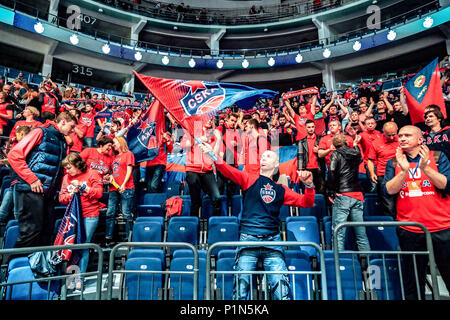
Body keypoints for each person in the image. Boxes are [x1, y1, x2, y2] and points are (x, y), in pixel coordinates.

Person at [199, 142, 315, 300]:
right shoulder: (249, 179)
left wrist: (309, 186)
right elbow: (226, 169)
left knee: (282, 294)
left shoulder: (281, 188)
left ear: (275, 164)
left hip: (273, 242)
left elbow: (306, 203)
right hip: (248, 239)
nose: (263, 158)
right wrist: (212, 154)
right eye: (262, 156)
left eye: (268, 156)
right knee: (240, 293)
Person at [383, 125, 450, 300]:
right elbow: (388, 190)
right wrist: (404, 171)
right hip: (410, 229)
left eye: (407, 135)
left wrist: (426, 168)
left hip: (442, 227)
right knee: (413, 282)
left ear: (420, 140)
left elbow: (446, 184)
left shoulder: (438, 156)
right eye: (400, 136)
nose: (402, 138)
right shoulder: (394, 162)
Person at [7, 111, 76, 248]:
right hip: (30, 190)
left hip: (48, 193)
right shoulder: (40, 132)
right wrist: (31, 179)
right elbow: (14, 155)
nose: (73, 130)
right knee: (31, 232)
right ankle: (13, 266)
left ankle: (37, 267)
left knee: (46, 232)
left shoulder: (62, 141)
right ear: (62, 122)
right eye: (71, 126)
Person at [59, 153, 103, 290]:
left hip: (90, 215)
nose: (67, 171)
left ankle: (80, 278)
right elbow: (61, 197)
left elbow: (99, 193)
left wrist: (83, 187)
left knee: (82, 245)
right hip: (74, 216)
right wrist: (70, 195)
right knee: (72, 246)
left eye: (69, 167)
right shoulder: (66, 177)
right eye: (65, 168)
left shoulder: (93, 173)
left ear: (78, 165)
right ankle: (71, 276)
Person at [327, 134, 371, 252]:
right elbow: (360, 157)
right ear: (346, 142)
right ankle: (367, 264)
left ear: (334, 145)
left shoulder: (335, 154)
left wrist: (331, 192)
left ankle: (340, 265)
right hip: (358, 194)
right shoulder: (355, 153)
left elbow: (331, 173)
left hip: (343, 194)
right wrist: (356, 144)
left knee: (338, 233)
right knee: (361, 234)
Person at [180, 118, 222, 217]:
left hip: (207, 171)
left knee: (217, 197)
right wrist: (198, 140)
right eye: (207, 118)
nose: (208, 120)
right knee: (195, 201)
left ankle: (214, 225)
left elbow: (214, 154)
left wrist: (219, 139)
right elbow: (183, 145)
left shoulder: (213, 135)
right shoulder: (192, 132)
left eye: (211, 119)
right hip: (193, 170)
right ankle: (194, 228)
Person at [105, 137, 136, 246]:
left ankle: (129, 238)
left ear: (121, 142)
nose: (113, 145)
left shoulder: (128, 154)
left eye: (114, 143)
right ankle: (108, 238)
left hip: (126, 188)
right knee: (110, 213)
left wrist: (123, 184)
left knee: (126, 213)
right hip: (114, 188)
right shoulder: (113, 157)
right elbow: (112, 171)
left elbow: (129, 170)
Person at [366, 121, 399, 217]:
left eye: (394, 134)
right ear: (383, 132)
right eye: (389, 135)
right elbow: (370, 160)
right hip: (383, 175)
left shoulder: (402, 140)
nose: (392, 137)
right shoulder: (376, 143)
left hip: (400, 174)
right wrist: (372, 173)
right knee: (388, 204)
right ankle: (392, 226)